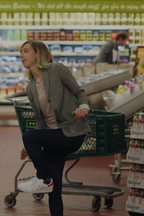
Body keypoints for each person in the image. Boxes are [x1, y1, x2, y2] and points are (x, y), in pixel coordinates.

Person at [17, 40, 90, 216]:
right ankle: (46, 181)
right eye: (20, 52)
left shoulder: (56, 70)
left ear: (38, 54)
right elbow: (38, 119)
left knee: (29, 135)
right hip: (54, 137)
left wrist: (84, 107)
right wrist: (32, 143)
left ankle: (43, 178)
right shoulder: (31, 87)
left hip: (71, 132)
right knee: (54, 192)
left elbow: (79, 92)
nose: (22, 55)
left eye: (26, 51)